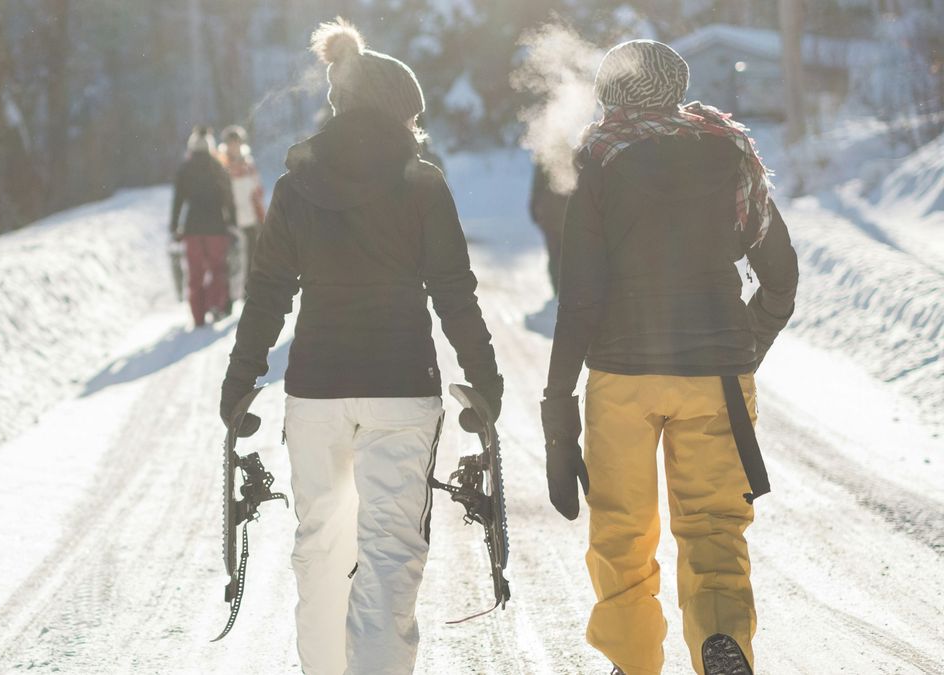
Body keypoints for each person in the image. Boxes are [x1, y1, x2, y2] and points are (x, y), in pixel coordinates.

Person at [219, 18, 502, 675]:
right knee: (389, 552)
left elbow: (266, 295)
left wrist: (239, 384)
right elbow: (455, 292)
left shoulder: (295, 188)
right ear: (402, 114)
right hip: (402, 389)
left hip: (316, 390)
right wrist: (486, 380)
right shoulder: (423, 184)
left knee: (319, 550)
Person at [538, 40, 798, 675]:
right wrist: (744, 349)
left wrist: (557, 401)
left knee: (622, 531)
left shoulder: (599, 157)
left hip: (622, 379)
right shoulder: (731, 151)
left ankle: (633, 661)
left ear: (611, 93)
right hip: (716, 375)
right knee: (714, 527)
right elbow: (781, 278)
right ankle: (721, 639)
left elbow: (580, 298)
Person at [171, 125, 236, 327]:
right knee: (218, 269)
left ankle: (198, 316)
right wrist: (232, 222)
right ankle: (215, 304)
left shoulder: (184, 169)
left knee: (195, 273)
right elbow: (228, 197)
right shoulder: (217, 167)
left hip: (192, 229)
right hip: (217, 227)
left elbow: (178, 201)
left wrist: (174, 226)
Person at [220, 125, 266, 303]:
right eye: (231, 143)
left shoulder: (249, 164)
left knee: (252, 257)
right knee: (233, 259)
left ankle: (249, 293)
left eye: (237, 143)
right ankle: (230, 297)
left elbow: (258, 190)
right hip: (232, 219)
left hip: (252, 217)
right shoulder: (222, 165)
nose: (235, 147)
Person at [529, 162, 568, 296]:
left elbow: (537, 185)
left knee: (554, 253)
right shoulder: (573, 151)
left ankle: (557, 288)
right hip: (566, 213)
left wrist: (533, 208)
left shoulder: (545, 153)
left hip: (548, 214)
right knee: (568, 253)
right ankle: (565, 288)